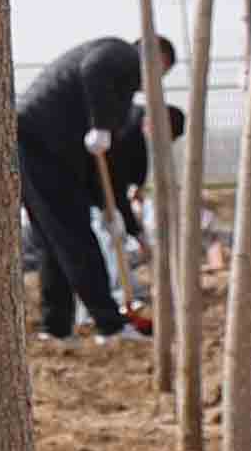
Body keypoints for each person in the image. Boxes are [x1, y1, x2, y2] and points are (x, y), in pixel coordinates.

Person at [13, 34, 163, 342]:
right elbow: (95, 68)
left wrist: (116, 214)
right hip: (44, 146)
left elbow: (107, 172)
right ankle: (110, 324)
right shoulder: (121, 54)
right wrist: (101, 124)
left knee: (53, 242)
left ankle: (56, 327)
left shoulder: (116, 95)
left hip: (39, 146)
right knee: (75, 237)